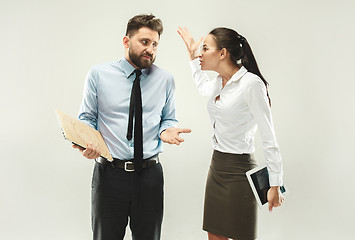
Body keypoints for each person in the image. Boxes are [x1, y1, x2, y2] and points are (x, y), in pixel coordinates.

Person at [72, 14, 191, 240]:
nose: (151, 50)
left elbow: (169, 118)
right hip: (109, 175)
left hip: (149, 177)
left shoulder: (165, 79)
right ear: (126, 41)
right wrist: (86, 142)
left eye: (155, 44)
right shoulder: (98, 75)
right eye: (145, 42)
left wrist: (166, 131)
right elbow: (87, 117)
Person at [177, 27, 284, 240]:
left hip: (240, 172)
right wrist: (191, 59)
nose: (200, 53)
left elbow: (268, 137)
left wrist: (275, 184)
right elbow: (202, 88)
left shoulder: (251, 85)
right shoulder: (219, 82)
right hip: (216, 167)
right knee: (214, 234)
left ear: (223, 53)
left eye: (205, 48)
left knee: (242, 234)